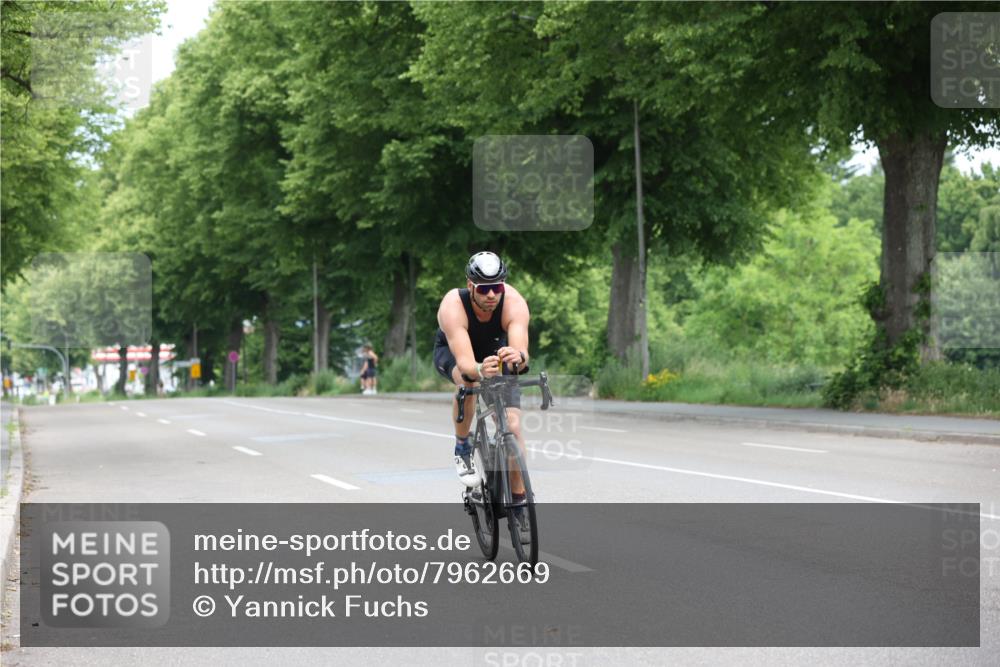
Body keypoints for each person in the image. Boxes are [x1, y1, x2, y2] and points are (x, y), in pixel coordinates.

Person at [433, 251, 530, 492]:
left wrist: (519, 357)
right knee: (469, 383)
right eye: (483, 289)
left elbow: (521, 352)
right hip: (455, 352)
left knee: (514, 429)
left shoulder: (514, 302)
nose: (490, 295)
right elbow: (467, 364)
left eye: (496, 288)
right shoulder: (453, 305)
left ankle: (519, 502)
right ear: (470, 286)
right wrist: (478, 369)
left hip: (494, 351)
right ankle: (463, 446)